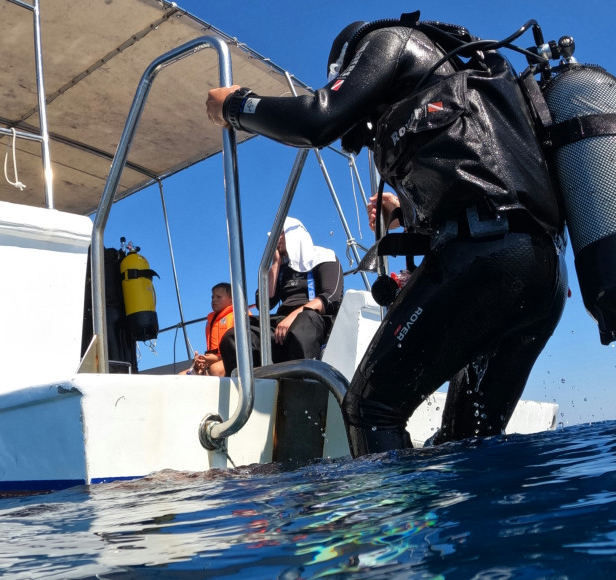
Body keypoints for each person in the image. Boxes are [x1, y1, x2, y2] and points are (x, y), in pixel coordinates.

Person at [205, 15, 567, 457]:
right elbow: (488, 182)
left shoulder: (389, 41)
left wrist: (236, 105)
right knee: (467, 443)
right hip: (541, 272)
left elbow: (317, 119)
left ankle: (397, 530)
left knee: (370, 408)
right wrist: (404, 215)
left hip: (484, 259)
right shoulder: (466, 85)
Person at [218, 217, 343, 375]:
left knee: (302, 325)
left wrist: (294, 316)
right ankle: (249, 389)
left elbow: (331, 297)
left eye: (280, 234)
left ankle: (303, 385)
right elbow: (264, 303)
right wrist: (275, 264)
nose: (275, 239)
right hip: (281, 322)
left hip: (313, 319)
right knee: (234, 336)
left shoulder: (323, 257)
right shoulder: (281, 269)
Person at [189, 282, 235, 376]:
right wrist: (202, 360)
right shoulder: (211, 320)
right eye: (212, 297)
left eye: (218, 297)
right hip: (212, 361)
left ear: (231, 300)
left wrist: (214, 359)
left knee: (215, 370)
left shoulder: (238, 317)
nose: (214, 300)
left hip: (233, 361)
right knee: (182, 376)